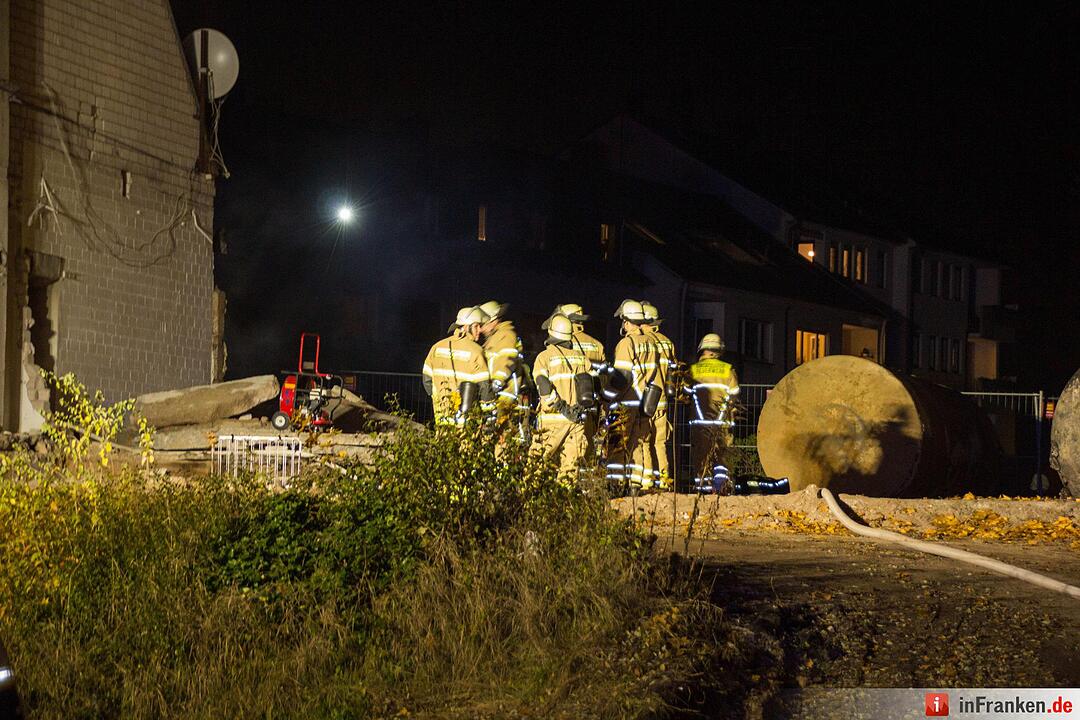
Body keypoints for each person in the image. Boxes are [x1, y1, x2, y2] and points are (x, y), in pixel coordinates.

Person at [609, 299, 662, 492]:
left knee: (617, 444)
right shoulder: (651, 343)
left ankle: (614, 486)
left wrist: (606, 397)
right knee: (637, 445)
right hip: (643, 404)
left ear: (627, 321)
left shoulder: (626, 343)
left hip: (626, 403)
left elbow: (621, 378)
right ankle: (635, 485)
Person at [532, 314, 593, 481]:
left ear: (551, 333)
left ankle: (528, 503)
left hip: (553, 420)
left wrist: (561, 407)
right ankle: (565, 504)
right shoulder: (582, 358)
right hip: (577, 421)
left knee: (536, 465)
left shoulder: (544, 357)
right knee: (570, 469)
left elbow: (543, 386)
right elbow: (593, 386)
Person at [421, 306, 493, 425]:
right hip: (466, 421)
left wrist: (439, 400)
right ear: (465, 327)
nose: (479, 330)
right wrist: (488, 416)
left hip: (442, 416)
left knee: (443, 442)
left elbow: (427, 381)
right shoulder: (476, 351)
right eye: (476, 326)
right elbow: (485, 388)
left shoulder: (436, 347)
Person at [687, 333, 740, 492]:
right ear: (719, 350)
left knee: (701, 455)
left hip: (700, 422)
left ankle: (703, 488)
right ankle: (721, 488)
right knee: (722, 455)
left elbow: (685, 392)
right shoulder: (727, 370)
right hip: (723, 421)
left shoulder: (693, 370)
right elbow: (735, 394)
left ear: (702, 349)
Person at [641, 301, 677, 489]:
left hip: (645, 400)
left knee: (644, 441)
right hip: (662, 401)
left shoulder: (643, 342)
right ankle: (664, 482)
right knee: (660, 443)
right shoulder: (667, 342)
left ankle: (647, 483)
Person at [477, 300, 527, 426]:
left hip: (506, 397)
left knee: (504, 437)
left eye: (483, 324)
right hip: (499, 397)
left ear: (493, 321)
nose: (481, 329)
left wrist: (496, 384)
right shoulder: (494, 339)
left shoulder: (505, 335)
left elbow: (507, 361)